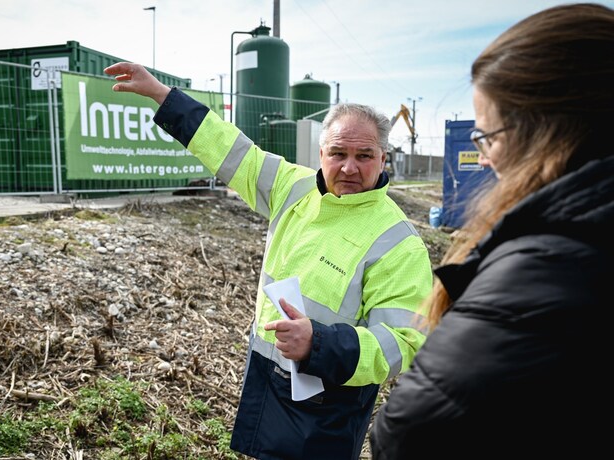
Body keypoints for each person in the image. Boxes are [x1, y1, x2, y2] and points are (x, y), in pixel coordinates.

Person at [104, 61, 433, 460]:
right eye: (338, 153)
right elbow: (228, 148)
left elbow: (403, 344)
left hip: (328, 406)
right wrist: (163, 95)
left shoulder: (399, 243)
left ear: (383, 159)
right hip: (265, 377)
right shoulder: (293, 187)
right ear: (321, 153)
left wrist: (320, 343)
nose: (349, 167)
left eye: (364, 155)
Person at [370, 3, 614, 459]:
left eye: (488, 136)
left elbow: (407, 434)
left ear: (547, 132)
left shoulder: (548, 264)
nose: (481, 157)